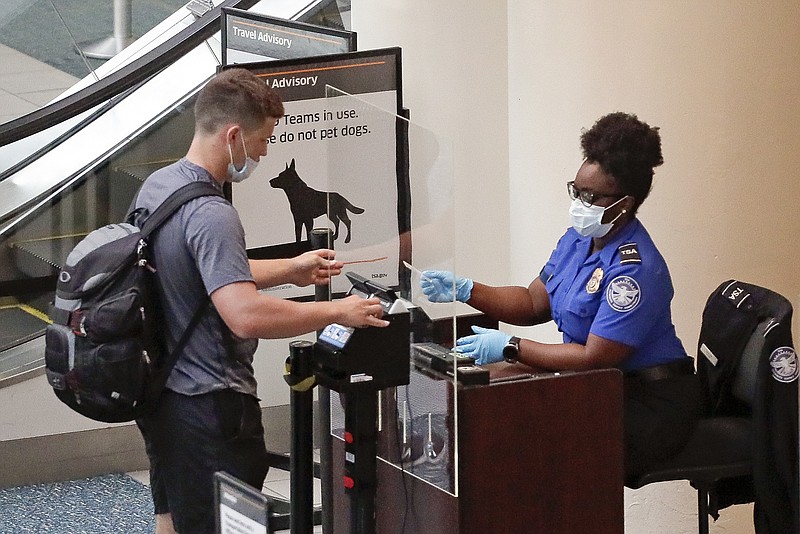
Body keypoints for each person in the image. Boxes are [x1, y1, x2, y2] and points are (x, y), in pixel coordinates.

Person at [133, 68, 388, 534]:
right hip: (212, 407)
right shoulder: (213, 213)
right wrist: (340, 310)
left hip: (161, 397)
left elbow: (200, 274)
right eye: (263, 139)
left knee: (171, 519)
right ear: (233, 135)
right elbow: (244, 314)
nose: (265, 153)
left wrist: (291, 269)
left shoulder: (160, 187)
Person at [420, 112, 701, 479]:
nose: (580, 203)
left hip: (646, 403)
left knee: (520, 422)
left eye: (591, 196)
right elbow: (535, 302)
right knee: (492, 385)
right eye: (576, 190)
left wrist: (511, 346)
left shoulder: (634, 270)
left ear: (625, 203)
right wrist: (468, 290)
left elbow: (595, 358)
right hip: (601, 386)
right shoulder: (579, 239)